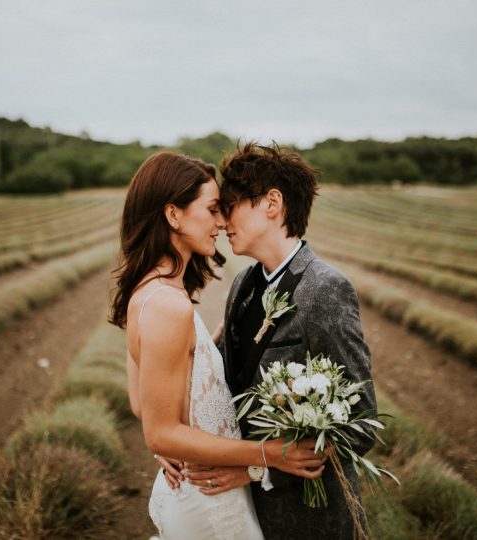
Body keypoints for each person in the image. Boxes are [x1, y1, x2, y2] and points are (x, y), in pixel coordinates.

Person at [109, 151, 325, 540]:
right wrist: (270, 455)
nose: (221, 222)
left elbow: (144, 403)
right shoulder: (169, 306)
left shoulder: (148, 293)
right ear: (173, 215)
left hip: (198, 490)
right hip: (209, 503)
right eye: (212, 210)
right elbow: (160, 433)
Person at [180, 142, 377, 540]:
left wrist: (257, 467)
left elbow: (360, 423)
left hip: (309, 518)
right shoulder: (243, 286)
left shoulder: (325, 289)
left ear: (272, 203)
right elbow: (222, 387)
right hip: (244, 513)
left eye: (231, 204)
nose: (221, 219)